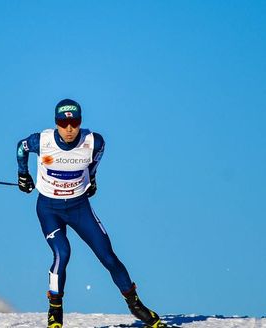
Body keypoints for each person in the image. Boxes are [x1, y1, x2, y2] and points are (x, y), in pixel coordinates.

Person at [16, 99, 165, 328]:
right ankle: (55, 311)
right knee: (62, 253)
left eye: (74, 123)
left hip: (78, 207)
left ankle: (136, 305)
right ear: (56, 123)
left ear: (80, 122)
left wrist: (92, 180)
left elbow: (94, 162)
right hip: (49, 209)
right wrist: (23, 175)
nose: (68, 129)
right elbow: (21, 147)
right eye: (62, 123)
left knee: (108, 256)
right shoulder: (42, 141)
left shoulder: (94, 142)